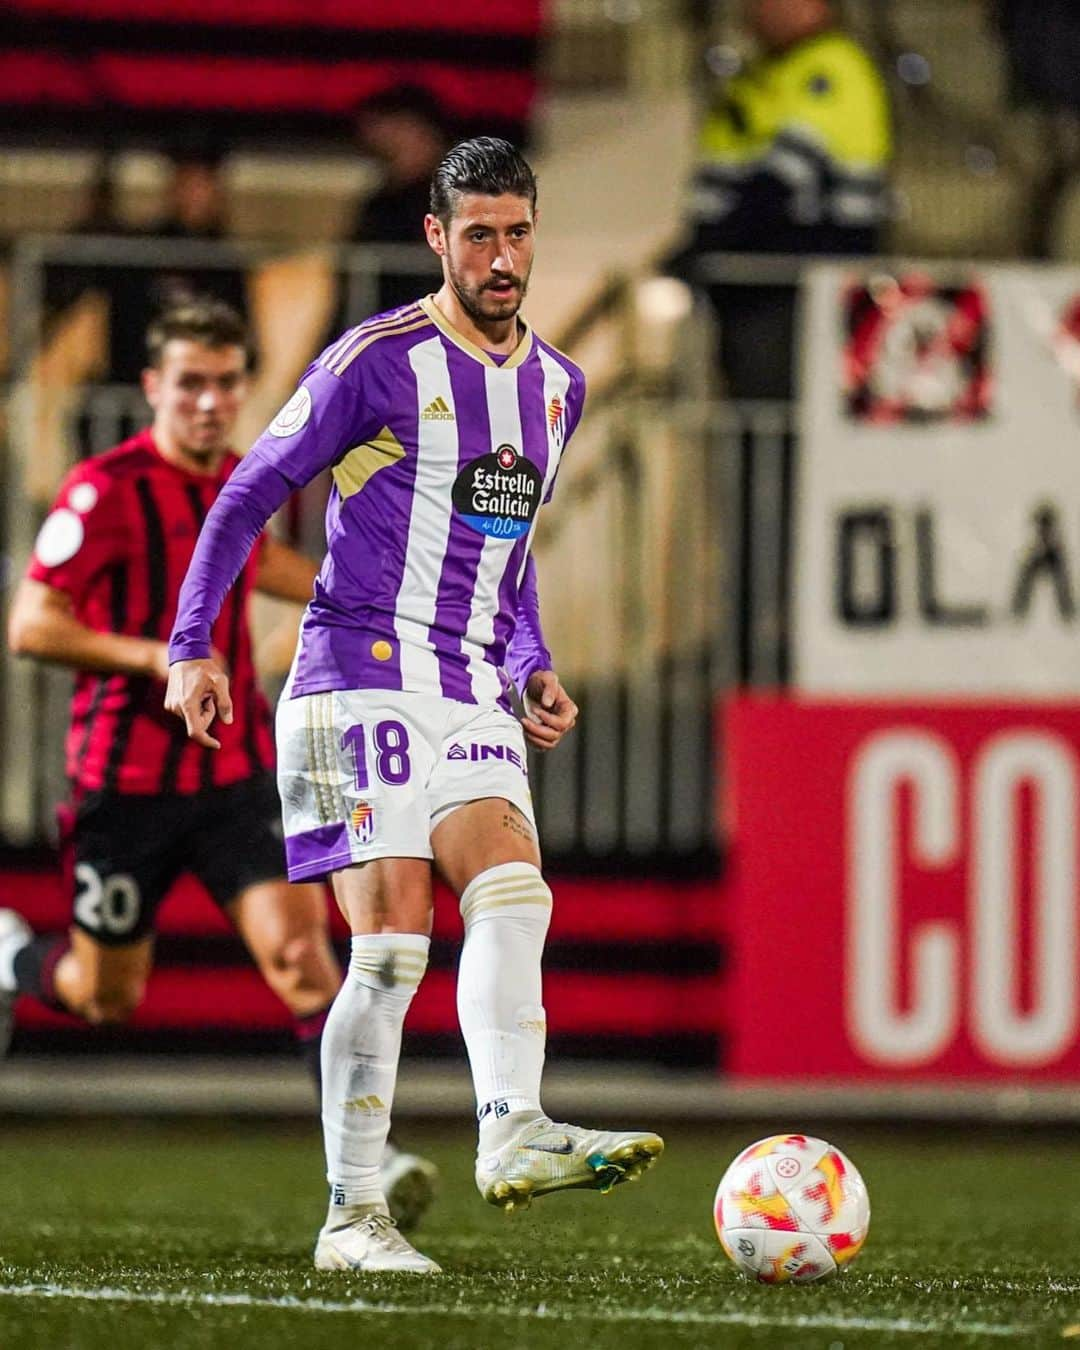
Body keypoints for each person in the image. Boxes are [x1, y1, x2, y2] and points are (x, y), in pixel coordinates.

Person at [165, 138, 664, 1275]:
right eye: (477, 234)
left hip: (472, 684)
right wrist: (193, 645)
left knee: (514, 889)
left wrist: (531, 655)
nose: (501, 256)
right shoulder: (376, 360)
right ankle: (352, 1217)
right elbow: (246, 496)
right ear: (436, 238)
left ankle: (513, 1128)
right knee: (388, 953)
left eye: (517, 231)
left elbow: (510, 547)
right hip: (350, 676)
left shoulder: (558, 385)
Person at [0, 297, 436, 1232]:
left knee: (303, 960)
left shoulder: (241, 481)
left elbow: (263, 564)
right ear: (154, 387)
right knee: (103, 995)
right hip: (124, 788)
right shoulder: (103, 491)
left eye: (226, 383)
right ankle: (13, 957)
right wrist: (155, 656)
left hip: (237, 775)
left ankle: (368, 1159)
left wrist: (364, 593)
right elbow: (30, 626)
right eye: (190, 383)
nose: (209, 402)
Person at [676, 0, 892, 397]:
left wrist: (705, 245)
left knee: (782, 418)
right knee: (748, 421)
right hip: (748, 287)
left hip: (799, 290)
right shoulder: (756, 76)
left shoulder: (832, 67)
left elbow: (784, 179)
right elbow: (718, 175)